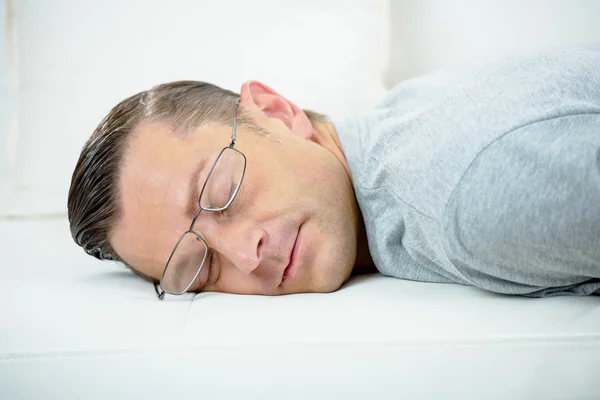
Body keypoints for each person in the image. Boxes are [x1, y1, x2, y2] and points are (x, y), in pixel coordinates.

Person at [68, 43, 600, 299]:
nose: (242, 255)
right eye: (200, 266)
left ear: (277, 112)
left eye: (220, 192)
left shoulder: (470, 201)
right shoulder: (400, 117)